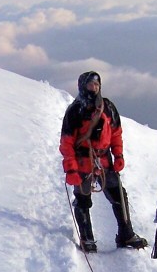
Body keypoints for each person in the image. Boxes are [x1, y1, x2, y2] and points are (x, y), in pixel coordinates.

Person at [60, 71, 147, 252]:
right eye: (90, 85)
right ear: (83, 86)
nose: (94, 88)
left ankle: (126, 234)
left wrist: (119, 155)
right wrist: (71, 169)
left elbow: (116, 133)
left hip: (104, 160)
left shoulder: (107, 107)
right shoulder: (75, 110)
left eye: (96, 85)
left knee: (119, 196)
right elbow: (67, 142)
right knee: (83, 200)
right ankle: (87, 239)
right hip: (83, 160)